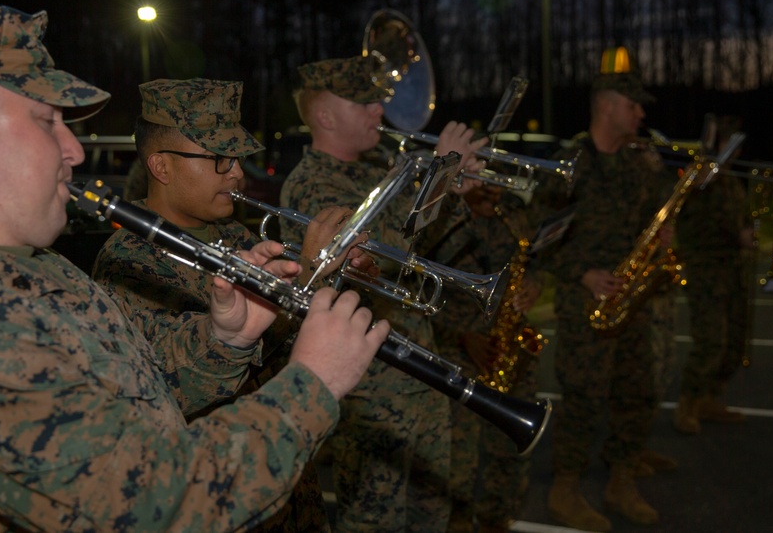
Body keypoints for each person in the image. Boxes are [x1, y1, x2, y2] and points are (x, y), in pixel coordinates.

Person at [0, 6, 389, 532]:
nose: (74, 150)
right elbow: (155, 503)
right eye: (47, 121)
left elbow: (142, 402)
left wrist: (224, 339)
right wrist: (312, 383)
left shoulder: (28, 267)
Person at [91, 77, 371, 531]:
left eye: (238, 157)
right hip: (216, 494)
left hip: (286, 483)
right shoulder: (130, 260)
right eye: (220, 160)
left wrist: (326, 272)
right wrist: (309, 267)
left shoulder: (237, 237)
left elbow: (285, 347)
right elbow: (173, 386)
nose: (238, 173)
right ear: (161, 166)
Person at [280, 54, 488, 532]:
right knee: (376, 519)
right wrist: (438, 176)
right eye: (365, 102)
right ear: (326, 116)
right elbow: (380, 254)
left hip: (419, 364)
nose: (380, 110)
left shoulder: (379, 169)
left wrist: (458, 195)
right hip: (371, 387)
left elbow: (426, 257)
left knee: (431, 512)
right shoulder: (312, 184)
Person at [532, 72, 671, 531]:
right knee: (584, 398)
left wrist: (661, 239)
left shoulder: (637, 164)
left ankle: (621, 480)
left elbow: (649, 221)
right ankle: (565, 489)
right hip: (583, 305)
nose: (641, 113)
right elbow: (536, 235)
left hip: (632, 300)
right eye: (633, 104)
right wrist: (582, 272)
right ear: (607, 106)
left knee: (638, 391)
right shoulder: (567, 163)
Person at [427, 183, 544, 533]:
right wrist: (461, 336)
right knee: (457, 457)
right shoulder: (441, 219)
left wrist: (533, 284)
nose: (493, 191)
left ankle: (498, 518)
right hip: (454, 347)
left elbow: (533, 259)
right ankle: (457, 521)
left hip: (504, 344)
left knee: (509, 447)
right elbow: (415, 289)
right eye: (484, 182)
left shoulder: (511, 212)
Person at [673, 115, 752, 434]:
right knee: (710, 342)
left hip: (732, 272)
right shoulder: (699, 179)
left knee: (735, 342)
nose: (733, 153)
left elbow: (742, 221)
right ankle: (687, 403)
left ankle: (709, 397)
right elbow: (697, 219)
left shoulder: (732, 182)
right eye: (726, 144)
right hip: (706, 272)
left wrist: (750, 233)